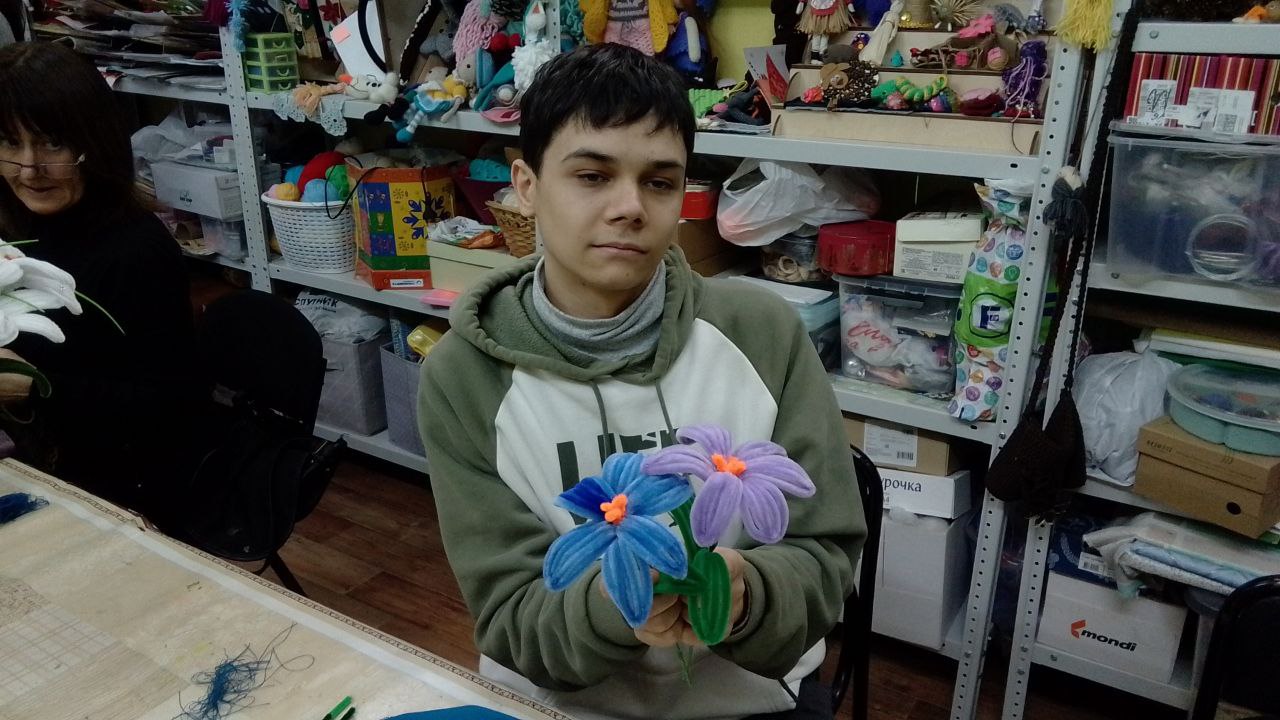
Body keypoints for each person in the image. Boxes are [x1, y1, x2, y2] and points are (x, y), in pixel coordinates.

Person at [419, 44, 866, 720]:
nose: (630, 207)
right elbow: (511, 614)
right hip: (557, 705)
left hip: (744, 703)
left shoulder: (763, 335)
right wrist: (619, 604)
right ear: (527, 186)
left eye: (660, 182)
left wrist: (747, 594)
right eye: (592, 176)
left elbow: (825, 557)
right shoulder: (465, 376)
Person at [0, 41, 197, 524]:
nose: (29, 168)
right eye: (9, 143)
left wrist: (33, 387)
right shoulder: (14, 226)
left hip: (112, 484)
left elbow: (169, 408)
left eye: (52, 143)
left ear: (95, 143)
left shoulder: (136, 252)